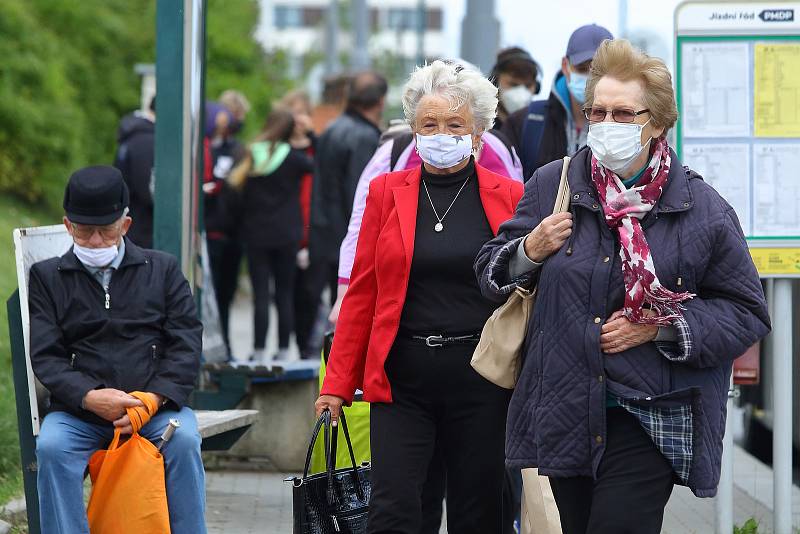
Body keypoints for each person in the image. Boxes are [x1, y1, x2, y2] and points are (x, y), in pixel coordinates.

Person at [476, 39, 771, 534]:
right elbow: (489, 274)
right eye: (597, 112)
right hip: (566, 408)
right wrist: (531, 248)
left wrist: (660, 327)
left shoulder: (700, 207)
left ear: (656, 122)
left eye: (622, 114)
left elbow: (746, 311)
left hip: (651, 415)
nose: (606, 126)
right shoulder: (557, 184)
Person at [316, 60, 523, 533]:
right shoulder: (385, 192)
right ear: (412, 129)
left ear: (477, 134)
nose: (441, 133)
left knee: (479, 512)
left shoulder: (510, 194)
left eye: (455, 124)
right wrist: (336, 383)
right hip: (402, 380)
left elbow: (525, 291)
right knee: (394, 511)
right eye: (429, 124)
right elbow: (363, 293)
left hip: (483, 381)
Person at [30, 166, 206, 534]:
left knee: (185, 440)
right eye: (83, 231)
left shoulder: (163, 269)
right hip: (79, 413)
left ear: (125, 225)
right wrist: (89, 397)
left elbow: (186, 343)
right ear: (67, 225)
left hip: (154, 409)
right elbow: (47, 355)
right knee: (52, 447)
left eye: (105, 231)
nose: (94, 241)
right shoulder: (47, 277)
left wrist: (153, 400)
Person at [230, 108, 313, 361]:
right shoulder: (296, 159)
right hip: (287, 233)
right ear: (290, 130)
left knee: (261, 294)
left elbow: (236, 195)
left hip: (256, 233)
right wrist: (307, 133)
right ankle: (284, 349)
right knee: (284, 292)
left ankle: (257, 350)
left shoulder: (250, 155)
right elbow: (316, 160)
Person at [308, 71, 387, 318]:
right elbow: (363, 196)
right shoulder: (365, 137)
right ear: (381, 101)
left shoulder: (332, 129)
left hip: (324, 231)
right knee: (349, 313)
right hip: (348, 237)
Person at [503, 24, 613, 179]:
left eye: (599, 70)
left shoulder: (627, 126)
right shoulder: (524, 123)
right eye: (582, 69)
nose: (591, 78)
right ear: (565, 66)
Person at [277, 89, 321, 360]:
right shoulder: (277, 149)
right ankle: (289, 342)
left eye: (303, 113)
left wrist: (312, 134)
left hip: (312, 227)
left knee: (309, 294)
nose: (298, 119)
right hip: (284, 228)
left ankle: (307, 346)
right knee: (285, 293)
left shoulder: (317, 148)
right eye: (293, 113)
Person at [205, 96, 250, 355]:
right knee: (213, 293)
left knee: (225, 293)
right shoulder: (205, 147)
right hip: (213, 229)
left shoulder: (238, 150)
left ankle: (225, 345)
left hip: (232, 231)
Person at [113, 96, 155, 248]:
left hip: (128, 218)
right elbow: (147, 188)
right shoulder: (146, 140)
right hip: (141, 227)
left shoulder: (132, 134)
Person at [490, 47, 541, 131]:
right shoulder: (478, 128)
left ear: (536, 88)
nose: (521, 93)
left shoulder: (540, 129)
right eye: (513, 85)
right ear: (494, 83)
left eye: (528, 86)